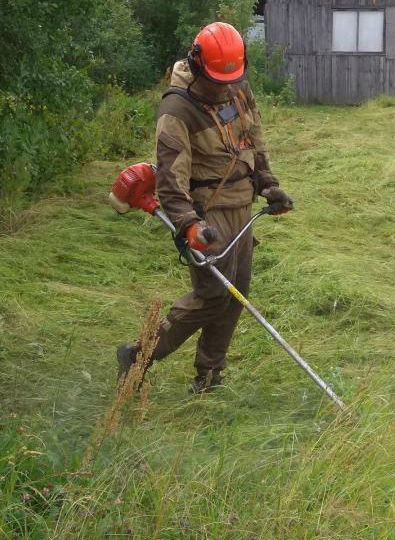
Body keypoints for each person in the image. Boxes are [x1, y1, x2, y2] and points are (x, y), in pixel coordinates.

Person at [118, 21, 293, 393]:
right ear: (198, 66)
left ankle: (209, 377)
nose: (227, 87)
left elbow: (253, 137)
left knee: (235, 298)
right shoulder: (177, 109)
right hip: (207, 212)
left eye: (232, 78)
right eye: (218, 80)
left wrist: (268, 184)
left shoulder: (237, 86)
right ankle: (138, 356)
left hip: (242, 207)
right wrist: (188, 224)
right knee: (212, 297)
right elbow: (170, 177)